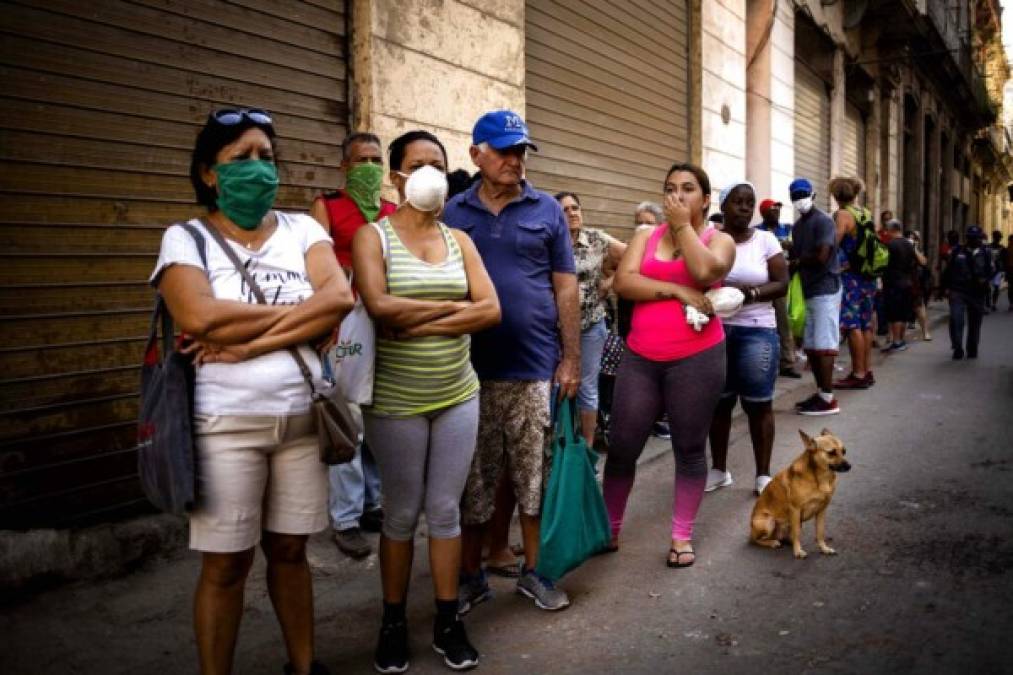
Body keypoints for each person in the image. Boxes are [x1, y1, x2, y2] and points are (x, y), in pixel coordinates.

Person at [152, 108, 354, 675]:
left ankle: (304, 665)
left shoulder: (303, 230)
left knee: (291, 553)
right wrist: (298, 315)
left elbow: (338, 300)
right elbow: (195, 313)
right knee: (226, 564)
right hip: (225, 428)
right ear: (209, 173)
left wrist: (242, 342)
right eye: (241, 158)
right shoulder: (184, 238)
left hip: (301, 423)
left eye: (266, 156)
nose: (258, 168)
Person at [352, 130, 501, 673]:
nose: (431, 173)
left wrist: (418, 318)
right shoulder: (375, 237)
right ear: (397, 178)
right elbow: (376, 303)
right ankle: (392, 622)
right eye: (418, 164)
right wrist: (450, 312)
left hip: (458, 394)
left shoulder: (460, 240)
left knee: (444, 511)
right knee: (399, 514)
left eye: (438, 163)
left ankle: (447, 619)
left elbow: (490, 310)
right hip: (395, 401)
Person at [444, 110, 579, 612]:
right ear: (476, 153)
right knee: (473, 483)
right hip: (466, 370)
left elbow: (566, 286)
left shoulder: (546, 210)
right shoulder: (452, 213)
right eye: (504, 150)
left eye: (521, 150)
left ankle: (535, 572)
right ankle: (471, 576)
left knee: (533, 478)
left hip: (533, 367)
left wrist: (570, 360)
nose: (515, 160)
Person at [604, 162, 736, 567]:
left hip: (696, 359)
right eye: (670, 188)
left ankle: (681, 536)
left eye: (689, 189)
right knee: (623, 446)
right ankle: (608, 529)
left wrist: (682, 227)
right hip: (641, 358)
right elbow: (624, 284)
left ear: (706, 198)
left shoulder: (720, 240)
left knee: (689, 448)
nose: (677, 196)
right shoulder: (645, 235)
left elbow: (704, 271)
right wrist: (677, 290)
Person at [310, 132, 396, 559]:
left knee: (379, 413)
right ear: (344, 166)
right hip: (345, 324)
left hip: (386, 322)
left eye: (376, 159)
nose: (369, 166)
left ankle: (372, 503)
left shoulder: (393, 212)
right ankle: (344, 518)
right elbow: (315, 265)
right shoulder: (327, 206)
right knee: (348, 417)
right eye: (361, 159)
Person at [706, 182, 788, 496]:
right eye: (737, 202)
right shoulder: (711, 240)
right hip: (717, 330)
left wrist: (749, 295)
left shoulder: (765, 240)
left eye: (749, 202)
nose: (744, 207)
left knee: (758, 404)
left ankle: (763, 474)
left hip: (757, 330)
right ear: (723, 206)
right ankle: (719, 470)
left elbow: (781, 283)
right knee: (720, 403)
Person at [556, 192, 626, 448]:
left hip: (590, 326)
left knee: (587, 388)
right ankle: (557, 446)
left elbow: (632, 257)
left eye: (576, 208)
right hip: (554, 328)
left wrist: (608, 283)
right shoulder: (550, 240)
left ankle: (586, 450)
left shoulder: (597, 238)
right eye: (565, 210)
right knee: (557, 386)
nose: (573, 213)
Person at [788, 178, 842, 416]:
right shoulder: (798, 227)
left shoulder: (824, 222)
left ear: (813, 195)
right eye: (795, 196)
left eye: (803, 194)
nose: (800, 199)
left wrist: (797, 261)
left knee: (824, 345)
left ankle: (828, 398)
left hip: (825, 289)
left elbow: (822, 256)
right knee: (811, 346)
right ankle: (821, 392)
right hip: (808, 290)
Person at [828, 177, 876, 390]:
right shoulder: (865, 212)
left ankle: (857, 374)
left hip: (850, 278)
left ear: (836, 196)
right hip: (868, 277)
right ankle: (866, 371)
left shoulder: (843, 214)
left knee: (852, 325)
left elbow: (833, 243)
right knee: (866, 324)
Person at [756, 198, 800, 378]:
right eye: (772, 210)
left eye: (778, 209)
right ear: (764, 213)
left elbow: (797, 249)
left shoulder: (787, 229)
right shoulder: (757, 232)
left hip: (781, 283)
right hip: (763, 283)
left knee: (783, 322)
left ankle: (787, 363)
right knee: (762, 324)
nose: (776, 212)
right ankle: (763, 362)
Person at [941, 225, 993, 359]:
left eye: (976, 238)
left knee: (975, 322)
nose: (974, 240)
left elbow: (992, 270)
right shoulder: (958, 251)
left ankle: (972, 347)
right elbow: (948, 270)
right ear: (967, 238)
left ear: (980, 238)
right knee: (955, 318)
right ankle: (957, 347)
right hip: (958, 290)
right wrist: (944, 288)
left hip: (977, 292)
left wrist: (986, 280)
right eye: (971, 237)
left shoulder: (985, 253)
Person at [881, 220, 922, 353]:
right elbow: (920, 261)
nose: (886, 233)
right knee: (903, 313)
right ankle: (901, 340)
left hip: (894, 282)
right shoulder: (909, 244)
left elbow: (883, 263)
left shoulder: (890, 245)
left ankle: (897, 341)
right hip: (907, 281)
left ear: (892, 230)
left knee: (895, 314)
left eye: (887, 230)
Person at [907, 230, 933, 341]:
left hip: (914, 281)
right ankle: (892, 336)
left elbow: (923, 262)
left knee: (919, 306)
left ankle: (925, 332)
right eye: (911, 238)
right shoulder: (900, 247)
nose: (913, 240)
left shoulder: (916, 250)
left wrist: (914, 249)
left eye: (915, 238)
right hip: (902, 279)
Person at [986, 230, 1006, 311]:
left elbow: (1004, 260)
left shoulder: (1002, 248)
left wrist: (1004, 271)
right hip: (988, 270)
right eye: (997, 237)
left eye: (999, 238)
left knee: (996, 287)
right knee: (987, 288)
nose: (998, 239)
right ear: (994, 237)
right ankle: (988, 303)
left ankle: (993, 304)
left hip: (997, 270)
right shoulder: (988, 247)